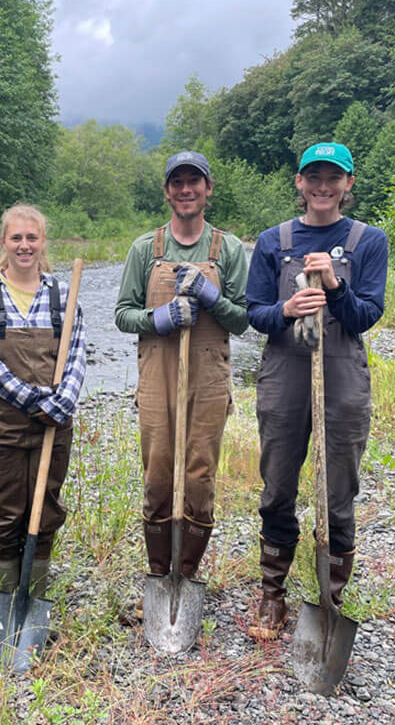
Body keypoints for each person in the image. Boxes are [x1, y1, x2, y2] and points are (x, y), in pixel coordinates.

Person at [245, 141, 388, 640]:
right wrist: (285, 311)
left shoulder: (369, 241)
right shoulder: (273, 241)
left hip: (343, 371)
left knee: (339, 488)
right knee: (278, 483)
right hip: (285, 372)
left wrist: (335, 288)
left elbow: (368, 314)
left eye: (334, 177)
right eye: (314, 177)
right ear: (299, 183)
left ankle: (331, 598)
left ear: (349, 184)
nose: (323, 186)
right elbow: (254, 312)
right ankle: (272, 592)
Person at [114, 151, 248, 585]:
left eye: (195, 181)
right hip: (157, 374)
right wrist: (157, 319)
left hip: (208, 376)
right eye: (177, 182)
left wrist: (213, 298)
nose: (186, 190)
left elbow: (244, 320)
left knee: (199, 475)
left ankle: (186, 574)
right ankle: (158, 573)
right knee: (156, 473)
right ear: (167, 191)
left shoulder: (226, 249)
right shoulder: (144, 249)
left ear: (208, 189)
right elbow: (122, 314)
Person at [0, 204, 86, 599]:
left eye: (32, 237)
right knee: (4, 513)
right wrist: (34, 399)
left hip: (52, 426)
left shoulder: (62, 295)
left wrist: (62, 402)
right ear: (3, 242)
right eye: (16, 237)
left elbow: (77, 352)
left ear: (43, 242)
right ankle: (6, 593)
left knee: (46, 508)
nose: (24, 245)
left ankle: (33, 596)